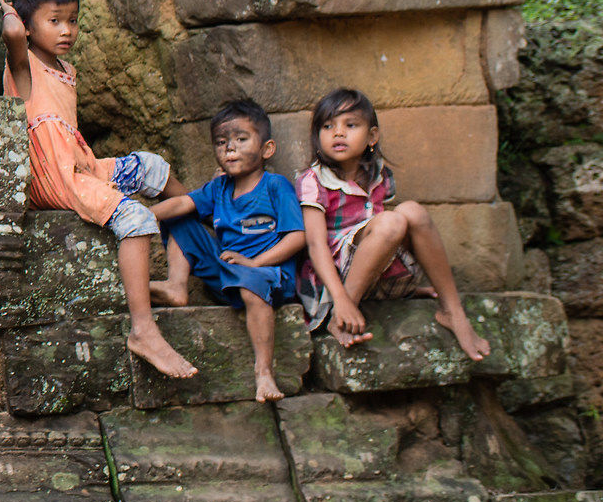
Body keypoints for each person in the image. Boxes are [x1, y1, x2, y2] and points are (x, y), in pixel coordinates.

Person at [1, 0, 197, 381]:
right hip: (52, 177)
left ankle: (178, 282)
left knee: (154, 168)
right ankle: (143, 330)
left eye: (72, 20)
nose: (67, 30)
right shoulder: (24, 68)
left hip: (80, 165)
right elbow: (13, 38)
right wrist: (9, 12)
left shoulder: (64, 68)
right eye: (54, 20)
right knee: (138, 219)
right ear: (28, 23)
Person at [298, 87, 490, 361]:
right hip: (335, 285)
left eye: (350, 125)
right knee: (390, 221)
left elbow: (383, 239)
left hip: (375, 278)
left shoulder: (380, 175)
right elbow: (315, 245)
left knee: (412, 211)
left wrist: (411, 288)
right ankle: (342, 316)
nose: (338, 133)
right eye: (328, 126)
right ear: (317, 138)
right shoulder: (313, 180)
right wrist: (341, 301)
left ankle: (453, 311)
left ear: (372, 136)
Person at [149, 99, 307, 401]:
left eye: (241, 139)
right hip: (226, 273)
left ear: (267, 149)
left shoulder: (275, 186)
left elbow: (298, 238)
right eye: (221, 143)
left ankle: (264, 374)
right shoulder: (218, 188)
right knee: (181, 216)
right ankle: (176, 286)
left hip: (268, 276)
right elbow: (183, 203)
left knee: (252, 283)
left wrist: (254, 262)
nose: (229, 149)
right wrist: (145, 215)